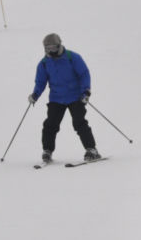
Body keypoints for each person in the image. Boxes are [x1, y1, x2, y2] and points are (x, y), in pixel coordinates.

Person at [28, 33, 100, 163]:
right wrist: (35, 94)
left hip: (75, 97)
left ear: (59, 45)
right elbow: (40, 82)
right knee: (50, 124)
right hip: (56, 98)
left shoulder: (72, 58)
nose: (50, 52)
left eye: (53, 48)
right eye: (47, 49)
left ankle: (91, 149)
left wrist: (86, 91)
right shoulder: (44, 63)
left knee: (79, 123)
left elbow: (84, 74)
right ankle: (47, 151)